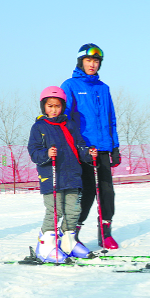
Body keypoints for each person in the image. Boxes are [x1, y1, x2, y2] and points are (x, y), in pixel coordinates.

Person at [60, 43, 120, 249]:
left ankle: (106, 233)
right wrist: (76, 146)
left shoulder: (104, 88)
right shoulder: (70, 86)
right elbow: (65, 118)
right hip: (83, 150)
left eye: (96, 61)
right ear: (80, 62)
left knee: (107, 192)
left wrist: (115, 146)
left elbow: (111, 118)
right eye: (88, 60)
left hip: (103, 147)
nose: (92, 65)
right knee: (86, 192)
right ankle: (72, 232)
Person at [27, 86, 97, 262]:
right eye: (50, 106)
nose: (53, 110)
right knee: (54, 211)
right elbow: (34, 151)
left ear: (62, 107)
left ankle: (68, 242)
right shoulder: (39, 127)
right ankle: (45, 246)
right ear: (44, 107)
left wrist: (88, 153)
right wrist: (46, 154)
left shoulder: (69, 125)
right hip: (52, 176)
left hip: (72, 175)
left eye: (57, 106)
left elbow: (79, 146)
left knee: (74, 211)